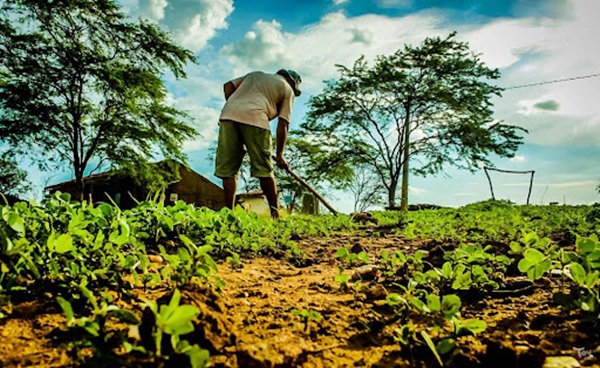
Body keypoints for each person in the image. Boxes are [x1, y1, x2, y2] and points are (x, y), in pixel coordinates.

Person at [214, 69, 302, 218]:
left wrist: (237, 108)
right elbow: (283, 123)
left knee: (228, 170)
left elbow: (228, 86)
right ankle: (275, 214)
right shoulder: (287, 89)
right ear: (292, 83)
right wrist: (280, 155)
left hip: (228, 115)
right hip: (256, 118)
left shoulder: (255, 75)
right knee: (265, 169)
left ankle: (229, 214)